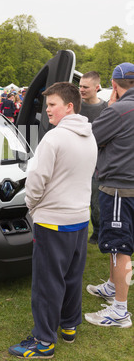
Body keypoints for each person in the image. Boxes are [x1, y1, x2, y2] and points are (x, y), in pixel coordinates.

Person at [8, 82, 97, 359]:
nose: (47, 111)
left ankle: (44, 340)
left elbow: (36, 181)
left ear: (69, 106)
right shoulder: (89, 135)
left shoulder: (54, 138)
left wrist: (32, 206)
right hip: (80, 219)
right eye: (47, 105)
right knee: (71, 275)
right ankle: (69, 325)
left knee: (48, 282)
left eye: (52, 105)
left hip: (54, 221)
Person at [85, 63, 134, 329]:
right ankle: (112, 286)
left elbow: (91, 139)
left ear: (113, 85)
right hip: (127, 185)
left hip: (119, 186)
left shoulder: (117, 110)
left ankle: (119, 311)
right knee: (122, 244)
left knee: (119, 247)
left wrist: (111, 105)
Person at [79, 71, 108, 244]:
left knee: (97, 202)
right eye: (80, 86)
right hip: (78, 161)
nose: (81, 89)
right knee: (80, 200)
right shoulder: (75, 106)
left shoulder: (106, 108)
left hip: (99, 163)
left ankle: (98, 232)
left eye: (85, 87)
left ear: (97, 87)